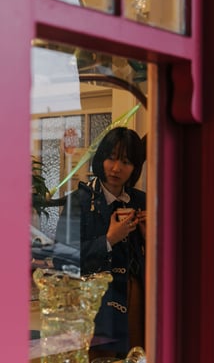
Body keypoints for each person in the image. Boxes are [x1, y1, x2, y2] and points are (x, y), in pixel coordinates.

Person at [56, 127, 147, 359]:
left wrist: (151, 238)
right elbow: (61, 260)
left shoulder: (142, 201)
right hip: (95, 307)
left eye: (126, 161)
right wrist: (108, 240)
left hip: (136, 303)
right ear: (101, 158)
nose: (116, 168)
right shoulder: (79, 202)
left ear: (135, 167)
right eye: (111, 158)